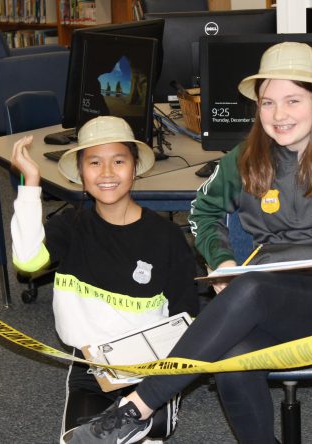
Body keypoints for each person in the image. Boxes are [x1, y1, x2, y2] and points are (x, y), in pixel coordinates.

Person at [61, 42, 312, 444]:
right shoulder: (245, 158)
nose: (279, 115)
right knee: (233, 359)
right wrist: (222, 261)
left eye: (292, 101)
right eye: (267, 103)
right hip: (266, 295)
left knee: (250, 289)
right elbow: (203, 211)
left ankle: (139, 407)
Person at [10, 116, 199, 441]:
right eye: (95, 163)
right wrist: (30, 183)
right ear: (81, 174)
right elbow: (27, 263)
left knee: (143, 431)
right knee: (80, 439)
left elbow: (186, 316)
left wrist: (164, 377)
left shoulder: (165, 237)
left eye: (119, 161)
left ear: (136, 167)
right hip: (91, 370)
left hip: (150, 373)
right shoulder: (71, 226)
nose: (108, 173)